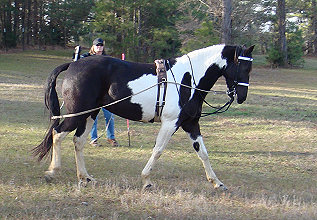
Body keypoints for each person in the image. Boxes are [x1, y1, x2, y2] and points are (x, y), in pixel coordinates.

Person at [75, 38, 119, 147]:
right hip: (92, 92)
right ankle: (93, 139)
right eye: (97, 45)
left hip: (105, 93)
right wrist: (76, 55)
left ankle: (111, 137)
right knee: (91, 117)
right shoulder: (86, 57)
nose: (99, 47)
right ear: (93, 46)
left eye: (101, 46)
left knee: (109, 116)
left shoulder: (107, 59)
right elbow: (76, 64)